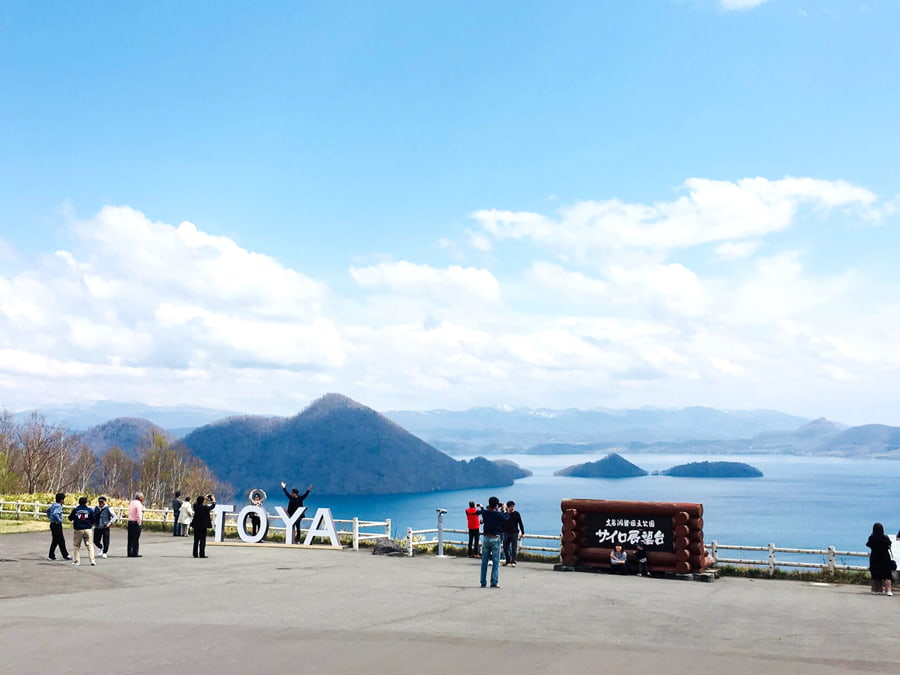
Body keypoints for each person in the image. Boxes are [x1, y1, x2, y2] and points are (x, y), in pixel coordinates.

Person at [477, 496, 509, 588]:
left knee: (484, 561)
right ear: (496, 505)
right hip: (495, 538)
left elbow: (479, 512)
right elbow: (506, 518)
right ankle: (494, 582)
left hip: (486, 538)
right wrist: (505, 509)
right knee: (495, 561)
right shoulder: (498, 514)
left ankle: (483, 582)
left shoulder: (485, 513)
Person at [866, 522, 893, 596]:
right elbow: (889, 544)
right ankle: (889, 590)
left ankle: (876, 589)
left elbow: (868, 544)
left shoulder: (872, 537)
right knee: (887, 575)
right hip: (885, 557)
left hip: (875, 557)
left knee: (876, 574)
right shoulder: (885, 537)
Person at [68, 496, 96, 566]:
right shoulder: (89, 510)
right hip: (88, 529)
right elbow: (94, 519)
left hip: (78, 529)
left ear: (79, 502)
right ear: (86, 502)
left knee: (76, 545)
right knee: (89, 545)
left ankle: (77, 561)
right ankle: (92, 560)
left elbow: (70, 518)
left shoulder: (76, 510)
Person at [46, 492, 71, 561]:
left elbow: (47, 510)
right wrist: (59, 520)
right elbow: (55, 513)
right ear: (61, 500)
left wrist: (50, 517)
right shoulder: (58, 506)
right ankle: (65, 555)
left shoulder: (54, 505)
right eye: (63, 499)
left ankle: (51, 555)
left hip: (53, 524)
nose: (64, 501)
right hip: (57, 524)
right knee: (61, 540)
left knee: (55, 540)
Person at [502, 501, 525, 567]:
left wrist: (523, 532)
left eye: (513, 506)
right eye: (511, 506)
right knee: (505, 547)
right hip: (506, 532)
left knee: (514, 548)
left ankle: (513, 561)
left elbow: (520, 523)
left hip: (514, 533)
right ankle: (508, 559)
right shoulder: (505, 514)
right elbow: (502, 523)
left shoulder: (517, 514)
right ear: (508, 507)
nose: (512, 508)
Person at [191, 494, 216, 558]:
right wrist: (213, 500)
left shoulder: (195, 506)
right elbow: (212, 507)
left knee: (196, 540)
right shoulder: (205, 508)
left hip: (196, 525)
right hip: (203, 526)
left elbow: (196, 503)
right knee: (202, 540)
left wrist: (203, 498)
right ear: (202, 501)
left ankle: (195, 553)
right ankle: (202, 554)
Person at [126, 492, 144, 558]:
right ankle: (135, 552)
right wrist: (139, 523)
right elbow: (138, 515)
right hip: (135, 522)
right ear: (140, 498)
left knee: (130, 538)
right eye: (142, 497)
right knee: (135, 539)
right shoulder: (139, 504)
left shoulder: (132, 503)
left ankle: (129, 552)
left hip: (130, 521)